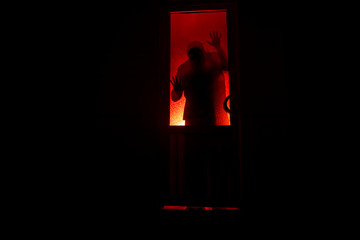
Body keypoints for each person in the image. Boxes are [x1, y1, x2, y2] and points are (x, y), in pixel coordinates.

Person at [170, 31, 228, 126]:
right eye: (193, 56)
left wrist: (218, 48)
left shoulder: (213, 60)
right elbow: (175, 97)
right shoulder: (184, 69)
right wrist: (176, 90)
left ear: (203, 52)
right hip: (194, 116)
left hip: (213, 114)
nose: (196, 59)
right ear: (189, 56)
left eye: (197, 54)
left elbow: (227, 66)